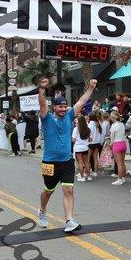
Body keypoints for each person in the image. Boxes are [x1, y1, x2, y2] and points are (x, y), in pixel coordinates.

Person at [37, 77, 97, 233]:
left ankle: (69, 220)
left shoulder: (70, 116)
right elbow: (42, 104)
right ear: (54, 107)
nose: (63, 109)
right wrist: (42, 89)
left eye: (65, 107)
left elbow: (81, 102)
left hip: (67, 161)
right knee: (48, 191)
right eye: (61, 107)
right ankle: (42, 210)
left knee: (68, 190)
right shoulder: (47, 118)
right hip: (50, 163)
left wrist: (91, 87)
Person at [109, 112, 127, 186]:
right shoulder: (122, 124)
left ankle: (119, 179)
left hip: (116, 144)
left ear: (113, 117)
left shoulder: (113, 125)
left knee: (118, 163)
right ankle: (123, 177)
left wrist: (111, 144)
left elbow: (112, 136)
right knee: (122, 162)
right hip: (123, 143)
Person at [72, 115, 92, 182]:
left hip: (78, 148)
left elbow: (73, 140)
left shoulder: (76, 129)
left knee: (80, 163)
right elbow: (90, 139)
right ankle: (88, 176)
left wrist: (74, 141)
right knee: (86, 162)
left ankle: (82, 177)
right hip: (85, 147)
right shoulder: (88, 129)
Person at [87, 112, 103, 179]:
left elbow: (89, 134)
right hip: (97, 143)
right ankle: (95, 172)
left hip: (91, 143)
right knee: (95, 158)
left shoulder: (90, 124)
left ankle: (88, 172)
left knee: (88, 159)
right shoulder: (98, 124)